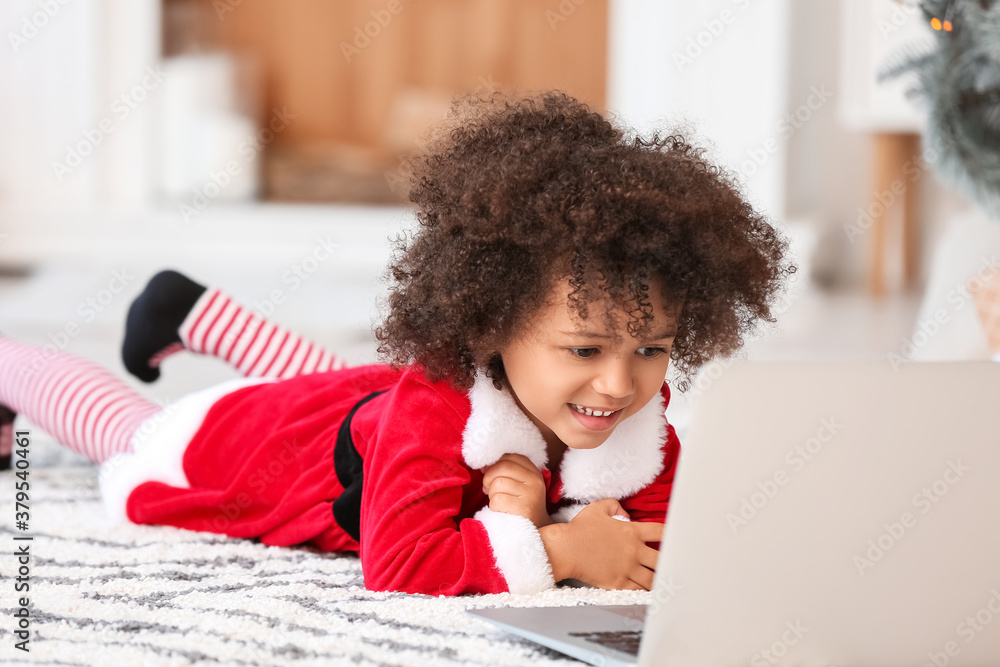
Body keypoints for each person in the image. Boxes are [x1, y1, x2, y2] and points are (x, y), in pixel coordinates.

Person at [0, 88, 793, 596]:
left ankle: (194, 312)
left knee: (348, 387)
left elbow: (660, 544)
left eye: (652, 348)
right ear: (491, 321)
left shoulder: (637, 427)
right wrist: (554, 549)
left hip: (365, 407)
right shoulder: (433, 410)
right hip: (257, 452)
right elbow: (402, 566)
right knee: (135, 434)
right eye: (584, 350)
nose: (622, 385)